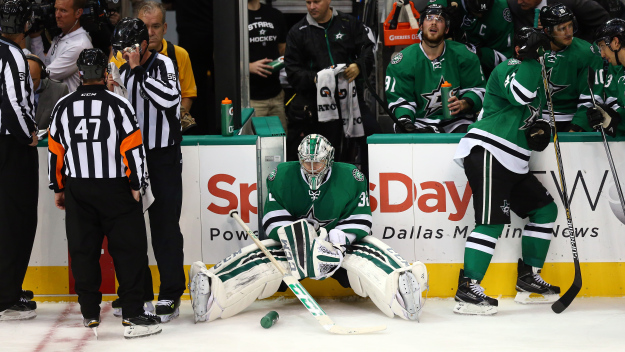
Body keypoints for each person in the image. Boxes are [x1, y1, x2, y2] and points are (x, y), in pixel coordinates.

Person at [188, 134, 428, 323]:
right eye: (307, 161)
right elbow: (273, 218)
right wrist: (298, 241)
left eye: (318, 161)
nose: (312, 167)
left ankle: (400, 286)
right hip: (294, 245)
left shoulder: (351, 176)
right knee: (261, 258)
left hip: (338, 244)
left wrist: (340, 238)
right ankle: (213, 289)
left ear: (329, 158)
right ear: (299, 159)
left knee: (369, 255)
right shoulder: (281, 175)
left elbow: (361, 218)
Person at [47, 48, 161, 338]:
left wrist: (58, 187)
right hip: (116, 190)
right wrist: (137, 185)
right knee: (129, 250)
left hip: (79, 189)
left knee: (83, 251)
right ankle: (133, 312)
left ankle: (89, 312)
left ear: (80, 73)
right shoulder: (119, 105)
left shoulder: (62, 105)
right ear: (105, 73)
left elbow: (55, 152)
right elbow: (134, 149)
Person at [452, 28, 560, 315]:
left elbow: (531, 116)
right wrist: (533, 60)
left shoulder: (537, 74)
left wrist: (539, 131)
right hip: (489, 151)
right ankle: (467, 289)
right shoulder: (512, 67)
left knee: (545, 211)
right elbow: (520, 95)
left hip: (514, 161)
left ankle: (528, 278)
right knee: (491, 222)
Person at [109, 17, 184, 323]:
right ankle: (138, 293)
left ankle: (170, 293)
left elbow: (170, 99)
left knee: (165, 227)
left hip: (163, 156)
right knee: (130, 230)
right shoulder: (120, 70)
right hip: (132, 158)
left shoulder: (164, 63)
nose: (123, 55)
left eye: (127, 49)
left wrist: (139, 71)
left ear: (141, 46)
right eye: (119, 50)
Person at [284, 0, 375, 162]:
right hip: (316, 103)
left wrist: (358, 66)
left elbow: (368, 51)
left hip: (350, 98)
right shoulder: (297, 32)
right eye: (308, 2)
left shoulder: (349, 23)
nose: (312, 7)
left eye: (316, 1)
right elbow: (292, 72)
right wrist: (317, 78)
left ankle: (370, 184)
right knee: (326, 152)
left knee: (375, 138)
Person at [385, 4, 486, 134]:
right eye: (429, 18)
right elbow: (400, 100)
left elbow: (478, 89)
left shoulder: (464, 55)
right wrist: (405, 120)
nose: (433, 22)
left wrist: (464, 103)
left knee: (472, 136)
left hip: (457, 121)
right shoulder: (403, 61)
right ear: (420, 27)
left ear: (447, 29)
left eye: (439, 20)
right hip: (420, 122)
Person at [0, 0, 39, 322]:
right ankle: (7, 293)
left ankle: (7, 286)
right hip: (10, 146)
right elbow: (13, 102)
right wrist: (29, 134)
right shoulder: (12, 54)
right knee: (17, 220)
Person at [111, 1, 198, 133]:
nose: (150, 32)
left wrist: (171, 121)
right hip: (132, 131)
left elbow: (188, 94)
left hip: (165, 135)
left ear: (164, 28)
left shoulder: (179, 55)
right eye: (145, 27)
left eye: (156, 26)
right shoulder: (119, 57)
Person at [537, 4, 604, 132]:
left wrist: (577, 126)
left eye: (570, 26)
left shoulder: (586, 53)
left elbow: (592, 97)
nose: (568, 33)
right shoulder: (534, 50)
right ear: (547, 31)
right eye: (562, 29)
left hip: (570, 118)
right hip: (536, 118)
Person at [570, 18, 625, 136]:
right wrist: (608, 117)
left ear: (615, 42)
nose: (602, 54)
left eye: (602, 46)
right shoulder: (620, 72)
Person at [29, 0, 93, 92]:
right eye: (56, 9)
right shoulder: (61, 36)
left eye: (63, 11)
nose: (57, 15)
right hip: (57, 101)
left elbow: (44, 75)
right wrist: (35, 38)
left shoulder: (79, 45)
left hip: (70, 103)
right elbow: (42, 66)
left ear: (78, 13)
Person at [247, 0, 288, 133]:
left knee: (280, 142)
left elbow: (282, 48)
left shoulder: (275, 15)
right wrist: (248, 67)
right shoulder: (236, 18)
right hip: (251, 99)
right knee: (254, 146)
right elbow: (221, 57)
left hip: (276, 95)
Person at [456, 0, 515, 77]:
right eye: (476, 11)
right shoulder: (453, 3)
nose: (480, 15)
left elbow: (506, 59)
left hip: (485, 71)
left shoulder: (501, 12)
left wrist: (479, 53)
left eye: (483, 12)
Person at [507, 0, 609, 43]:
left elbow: (604, 20)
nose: (519, 1)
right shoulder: (514, 5)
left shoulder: (570, 2)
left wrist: (573, 40)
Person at [26, 55, 69, 130]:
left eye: (33, 80)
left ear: (42, 75)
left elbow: (65, 124)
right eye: (24, 81)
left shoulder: (59, 90)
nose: (29, 85)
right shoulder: (7, 90)